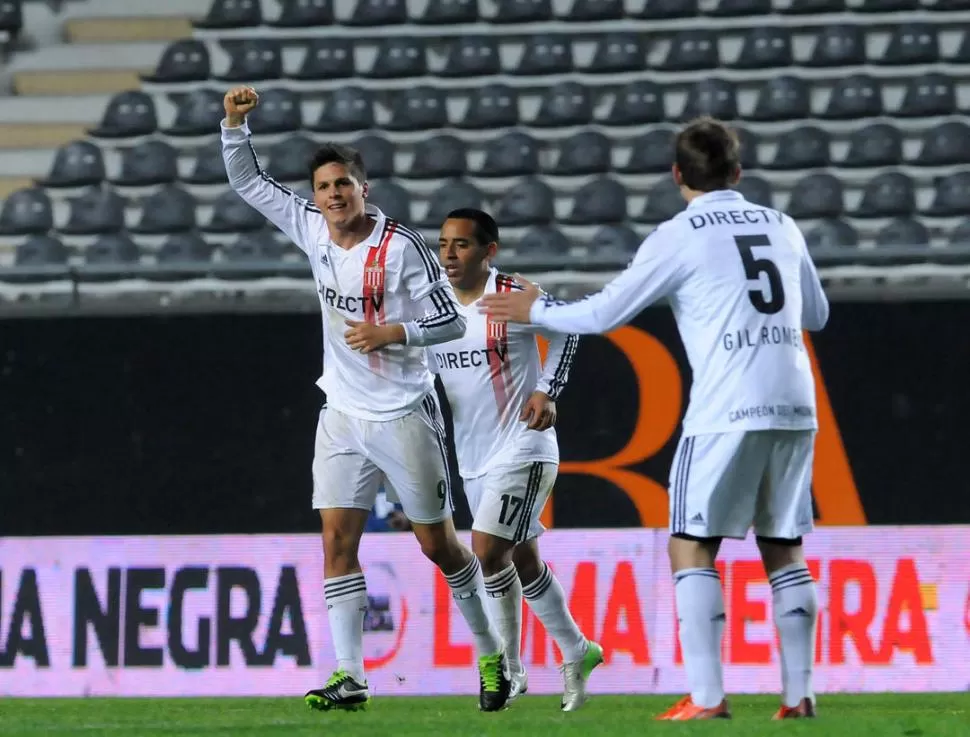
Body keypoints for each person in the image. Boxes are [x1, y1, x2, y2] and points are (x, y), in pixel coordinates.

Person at [481, 116, 829, 721]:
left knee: (691, 545)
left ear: (677, 176)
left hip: (726, 407)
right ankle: (799, 698)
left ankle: (708, 698)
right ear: (738, 172)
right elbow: (817, 315)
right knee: (784, 547)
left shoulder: (681, 234)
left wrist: (538, 308)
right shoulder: (783, 225)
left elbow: (605, 314)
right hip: (797, 404)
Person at [220, 86, 511, 713]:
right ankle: (350, 674)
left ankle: (492, 657)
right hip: (343, 414)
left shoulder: (402, 249)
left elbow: (453, 323)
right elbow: (250, 184)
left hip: (404, 411)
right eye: (324, 186)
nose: (332, 196)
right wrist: (233, 125)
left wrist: (394, 331)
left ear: (363, 189)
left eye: (343, 185)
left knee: (438, 546)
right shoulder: (310, 229)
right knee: (336, 541)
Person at [434, 209, 604, 711]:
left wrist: (547, 389)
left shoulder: (514, 294)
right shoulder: (433, 304)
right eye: (443, 243)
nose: (448, 253)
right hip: (472, 456)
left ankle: (505, 669)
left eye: (461, 244)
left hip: (525, 444)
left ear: (489, 251)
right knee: (522, 561)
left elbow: (569, 329)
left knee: (486, 550)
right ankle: (578, 650)